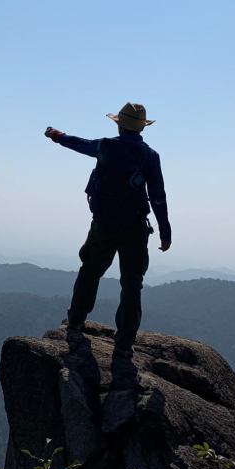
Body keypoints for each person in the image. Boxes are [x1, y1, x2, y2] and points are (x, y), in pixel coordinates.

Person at [44, 102, 171, 358]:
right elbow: (157, 196)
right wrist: (165, 232)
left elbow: (80, 144)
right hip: (135, 229)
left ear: (119, 124)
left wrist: (57, 136)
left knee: (90, 272)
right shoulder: (149, 156)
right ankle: (124, 344)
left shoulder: (105, 147)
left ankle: (76, 322)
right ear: (141, 127)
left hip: (103, 225)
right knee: (132, 284)